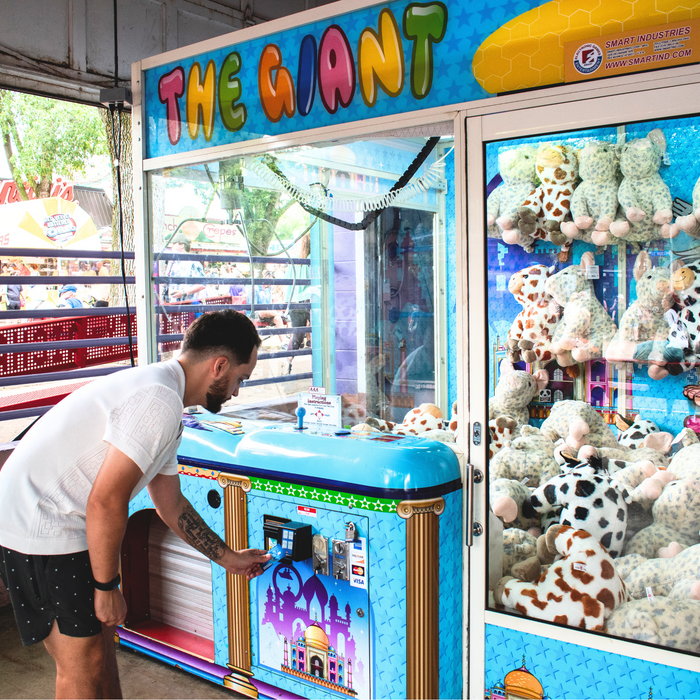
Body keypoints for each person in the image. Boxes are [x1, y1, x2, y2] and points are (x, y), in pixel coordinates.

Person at [0, 310, 269, 699]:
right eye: (240, 379)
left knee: (100, 657)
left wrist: (230, 558)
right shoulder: (158, 400)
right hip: (41, 527)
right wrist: (107, 586)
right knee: (81, 670)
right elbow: (107, 500)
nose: (237, 392)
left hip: (53, 521)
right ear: (220, 365)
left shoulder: (165, 398)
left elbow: (170, 505)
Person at [165, 232, 205, 302]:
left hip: (188, 306)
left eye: (174, 244)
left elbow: (202, 284)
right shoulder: (172, 262)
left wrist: (184, 292)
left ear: (182, 245)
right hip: (172, 306)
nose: (171, 247)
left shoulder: (193, 262)